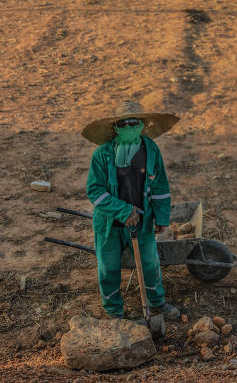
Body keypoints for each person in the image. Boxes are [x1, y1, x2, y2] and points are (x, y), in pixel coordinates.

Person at [82, 100, 181, 320]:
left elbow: (160, 186)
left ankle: (157, 303)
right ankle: (114, 311)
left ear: (142, 124)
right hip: (109, 224)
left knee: (149, 262)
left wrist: (162, 216)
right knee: (108, 268)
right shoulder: (102, 154)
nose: (129, 127)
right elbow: (95, 191)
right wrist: (124, 210)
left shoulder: (151, 149)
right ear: (116, 127)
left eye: (133, 122)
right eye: (123, 123)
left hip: (143, 220)